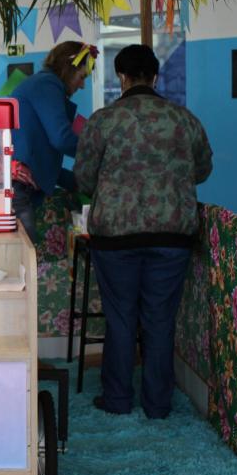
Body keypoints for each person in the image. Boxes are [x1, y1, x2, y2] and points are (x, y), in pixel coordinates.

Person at [73, 44, 212, 419]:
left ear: (121, 77)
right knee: (160, 320)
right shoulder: (183, 119)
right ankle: (158, 404)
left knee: (120, 318)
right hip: (172, 236)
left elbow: (83, 178)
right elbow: (202, 170)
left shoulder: (103, 120)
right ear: (154, 76)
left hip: (115, 237)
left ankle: (117, 399)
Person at [10, 41, 95, 243]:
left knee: (26, 253)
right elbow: (62, 138)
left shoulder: (42, 84)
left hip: (19, 186)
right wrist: (98, 152)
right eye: (81, 77)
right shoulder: (47, 84)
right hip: (17, 187)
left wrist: (81, 182)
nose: (82, 85)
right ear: (68, 69)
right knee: (26, 254)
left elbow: (44, 163)